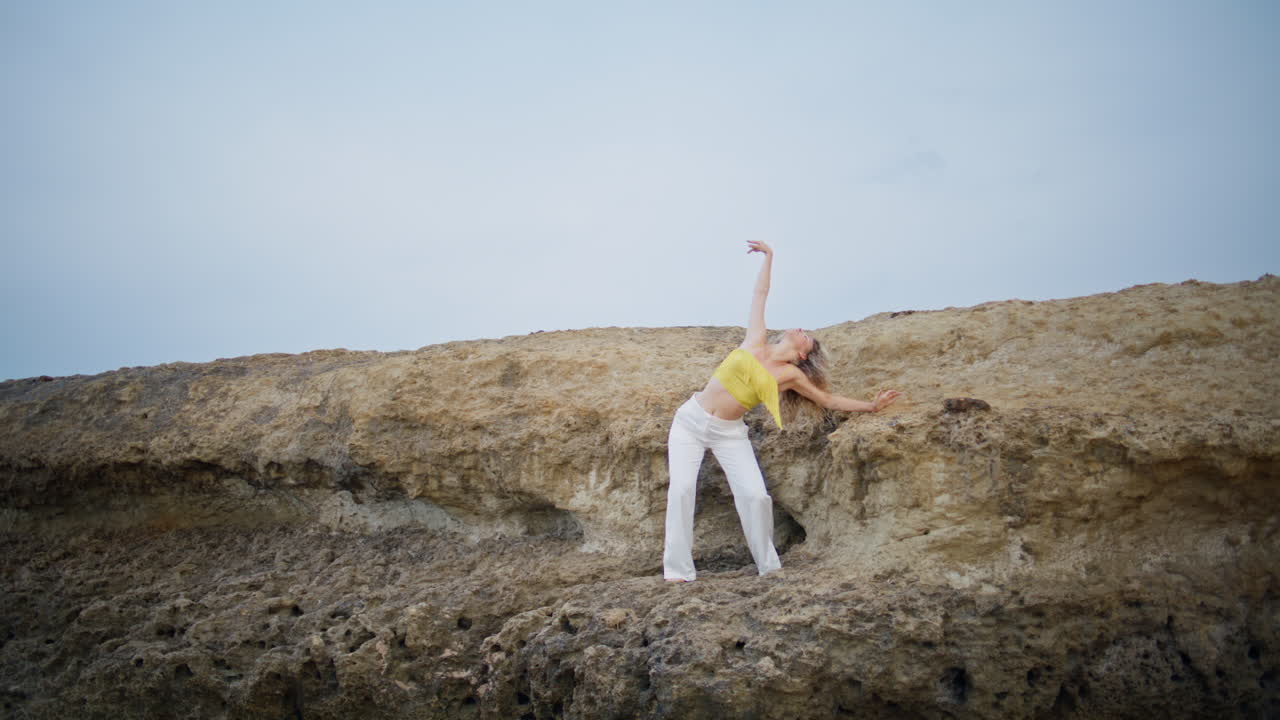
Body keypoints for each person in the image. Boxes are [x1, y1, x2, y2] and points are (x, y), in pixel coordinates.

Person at [663, 241, 901, 582]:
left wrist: (872, 406)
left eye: (808, 337)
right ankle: (678, 572)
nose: (802, 330)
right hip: (690, 422)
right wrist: (770, 257)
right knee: (682, 490)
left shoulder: (790, 375)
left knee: (756, 496)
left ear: (803, 355)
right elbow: (760, 294)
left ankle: (768, 567)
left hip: (729, 433)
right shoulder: (756, 340)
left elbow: (828, 401)